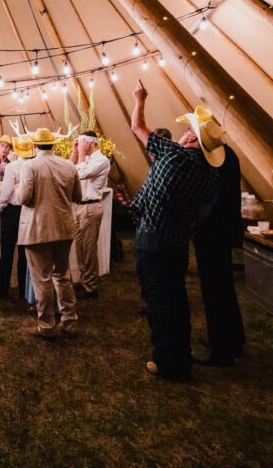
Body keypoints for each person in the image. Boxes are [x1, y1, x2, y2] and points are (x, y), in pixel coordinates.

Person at [129, 81, 220, 381]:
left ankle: (167, 362)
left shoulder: (170, 153)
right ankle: (182, 356)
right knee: (178, 298)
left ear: (192, 135)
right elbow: (204, 211)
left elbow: (137, 125)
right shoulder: (209, 174)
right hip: (179, 242)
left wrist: (140, 98)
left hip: (152, 237)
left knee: (157, 299)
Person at [16, 128, 82, 340]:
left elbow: (24, 198)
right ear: (53, 145)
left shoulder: (31, 165)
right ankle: (70, 319)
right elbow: (77, 196)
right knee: (62, 275)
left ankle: (46, 325)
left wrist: (18, 190)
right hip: (63, 227)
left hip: (38, 229)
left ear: (35, 146)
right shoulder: (68, 165)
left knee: (41, 278)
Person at [192, 138, 245, 366]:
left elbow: (208, 197)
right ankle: (234, 339)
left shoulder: (212, 158)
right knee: (224, 285)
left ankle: (220, 349)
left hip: (211, 230)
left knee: (213, 288)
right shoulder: (228, 153)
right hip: (225, 228)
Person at [71, 131, 111, 299]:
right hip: (80, 208)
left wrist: (80, 154)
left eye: (81, 143)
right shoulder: (86, 160)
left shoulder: (102, 161)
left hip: (91, 208)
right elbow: (68, 171)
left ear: (90, 143)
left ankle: (91, 287)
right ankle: (83, 281)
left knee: (89, 249)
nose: (79, 146)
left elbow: (77, 175)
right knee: (80, 249)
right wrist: (74, 153)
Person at [0, 136, 32, 299]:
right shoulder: (33, 165)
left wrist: (1, 206)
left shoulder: (12, 166)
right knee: (24, 252)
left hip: (11, 211)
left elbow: (6, 191)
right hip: (27, 210)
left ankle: (3, 289)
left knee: (6, 251)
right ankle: (23, 290)